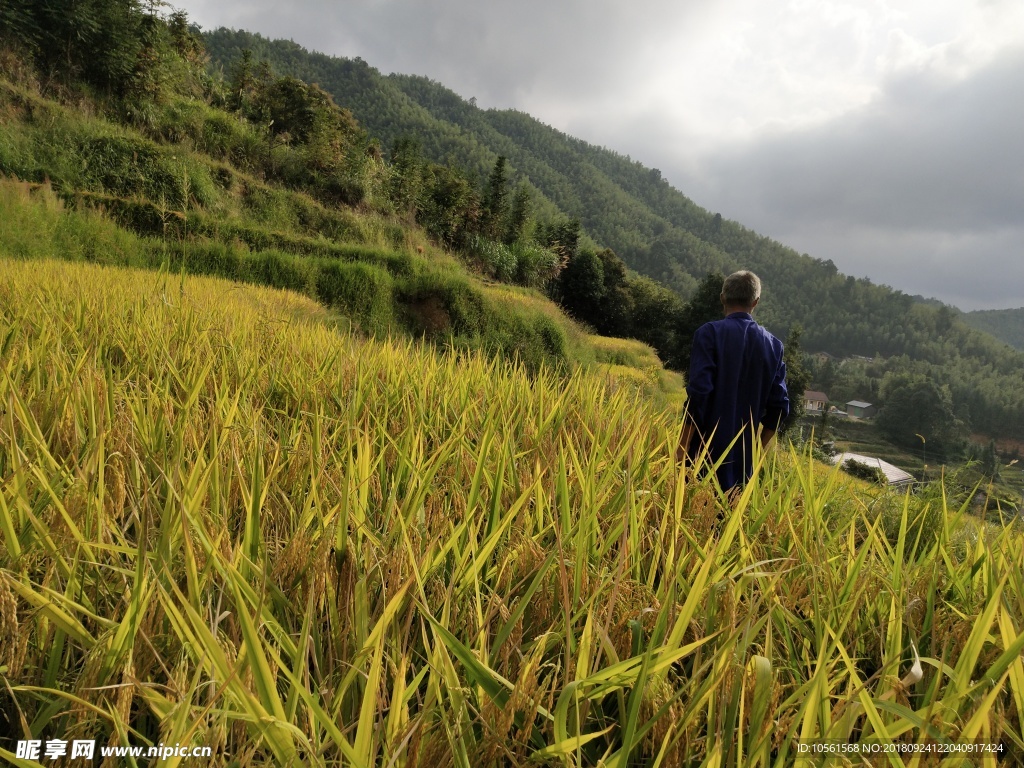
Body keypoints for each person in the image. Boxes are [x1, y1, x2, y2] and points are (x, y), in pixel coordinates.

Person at [675, 270, 790, 491]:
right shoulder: (774, 346)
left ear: (723, 297)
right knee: (728, 521)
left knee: (690, 516)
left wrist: (682, 447)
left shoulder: (709, 334)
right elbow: (780, 408)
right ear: (755, 302)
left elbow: (699, 394)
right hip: (742, 465)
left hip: (701, 455)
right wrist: (755, 451)